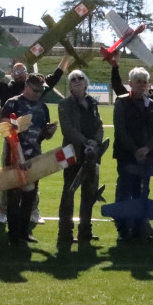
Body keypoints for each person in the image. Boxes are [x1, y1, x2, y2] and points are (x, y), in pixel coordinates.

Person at [0, 49, 69, 225]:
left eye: (22, 70)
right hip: (11, 144)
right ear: (12, 74)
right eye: (16, 71)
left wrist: (67, 56)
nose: (19, 73)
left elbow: (56, 76)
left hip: (33, 145)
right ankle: (3, 212)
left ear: (27, 74)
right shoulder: (7, 90)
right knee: (8, 178)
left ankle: (34, 211)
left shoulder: (39, 93)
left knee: (33, 178)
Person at [0, 73, 57, 246]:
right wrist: (17, 154)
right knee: (13, 196)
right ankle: (13, 234)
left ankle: (24, 232)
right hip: (14, 157)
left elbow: (42, 135)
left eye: (41, 91)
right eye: (35, 90)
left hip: (34, 157)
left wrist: (49, 132)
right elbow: (5, 129)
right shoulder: (12, 103)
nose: (38, 94)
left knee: (30, 195)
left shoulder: (43, 107)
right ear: (26, 87)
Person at [111, 67, 153, 241]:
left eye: (144, 82)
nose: (141, 85)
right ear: (130, 83)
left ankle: (140, 229)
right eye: (138, 81)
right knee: (124, 193)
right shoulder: (121, 102)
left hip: (147, 157)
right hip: (126, 156)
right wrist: (135, 150)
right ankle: (123, 229)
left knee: (141, 192)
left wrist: (146, 148)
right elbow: (120, 131)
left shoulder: (151, 104)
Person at [58, 69, 106, 246]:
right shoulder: (64, 104)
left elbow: (99, 125)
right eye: (73, 79)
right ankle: (65, 233)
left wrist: (96, 142)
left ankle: (85, 231)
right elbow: (67, 130)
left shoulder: (92, 102)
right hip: (73, 154)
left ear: (86, 83)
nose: (77, 81)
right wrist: (87, 142)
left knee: (89, 193)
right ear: (70, 86)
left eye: (80, 78)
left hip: (92, 155)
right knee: (68, 194)